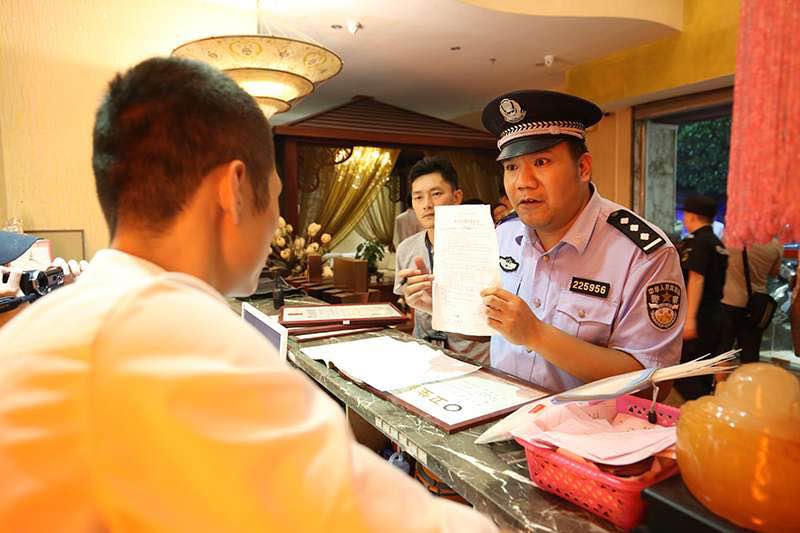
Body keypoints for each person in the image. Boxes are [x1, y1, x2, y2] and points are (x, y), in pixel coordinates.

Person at [0, 57, 496, 533]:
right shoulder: (177, 340)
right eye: (276, 193)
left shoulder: (60, 318)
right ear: (234, 190)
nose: (276, 219)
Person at [403, 90, 685, 393]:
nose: (523, 182)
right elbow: (495, 331)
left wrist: (536, 335)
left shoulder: (642, 253)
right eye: (511, 167)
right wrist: (444, 307)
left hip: (587, 422)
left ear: (583, 168)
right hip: (503, 410)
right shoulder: (504, 234)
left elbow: (652, 383)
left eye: (541, 162)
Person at [394, 156, 490, 364]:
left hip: (474, 358)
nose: (427, 205)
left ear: (456, 197)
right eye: (418, 197)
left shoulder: (485, 247)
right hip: (425, 354)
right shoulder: (406, 249)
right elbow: (411, 308)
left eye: (436, 194)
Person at [674, 195, 729, 400]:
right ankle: (703, 404)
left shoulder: (698, 243)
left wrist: (690, 319)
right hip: (715, 312)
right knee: (702, 369)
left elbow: (696, 279)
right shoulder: (716, 243)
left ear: (691, 216)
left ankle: (702, 405)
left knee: (682, 370)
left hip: (700, 315)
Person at [719, 239, 782, 362]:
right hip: (757, 306)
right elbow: (774, 273)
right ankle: (749, 374)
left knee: (723, 353)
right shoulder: (776, 245)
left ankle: (722, 375)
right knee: (750, 353)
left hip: (729, 301)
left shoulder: (732, 238)